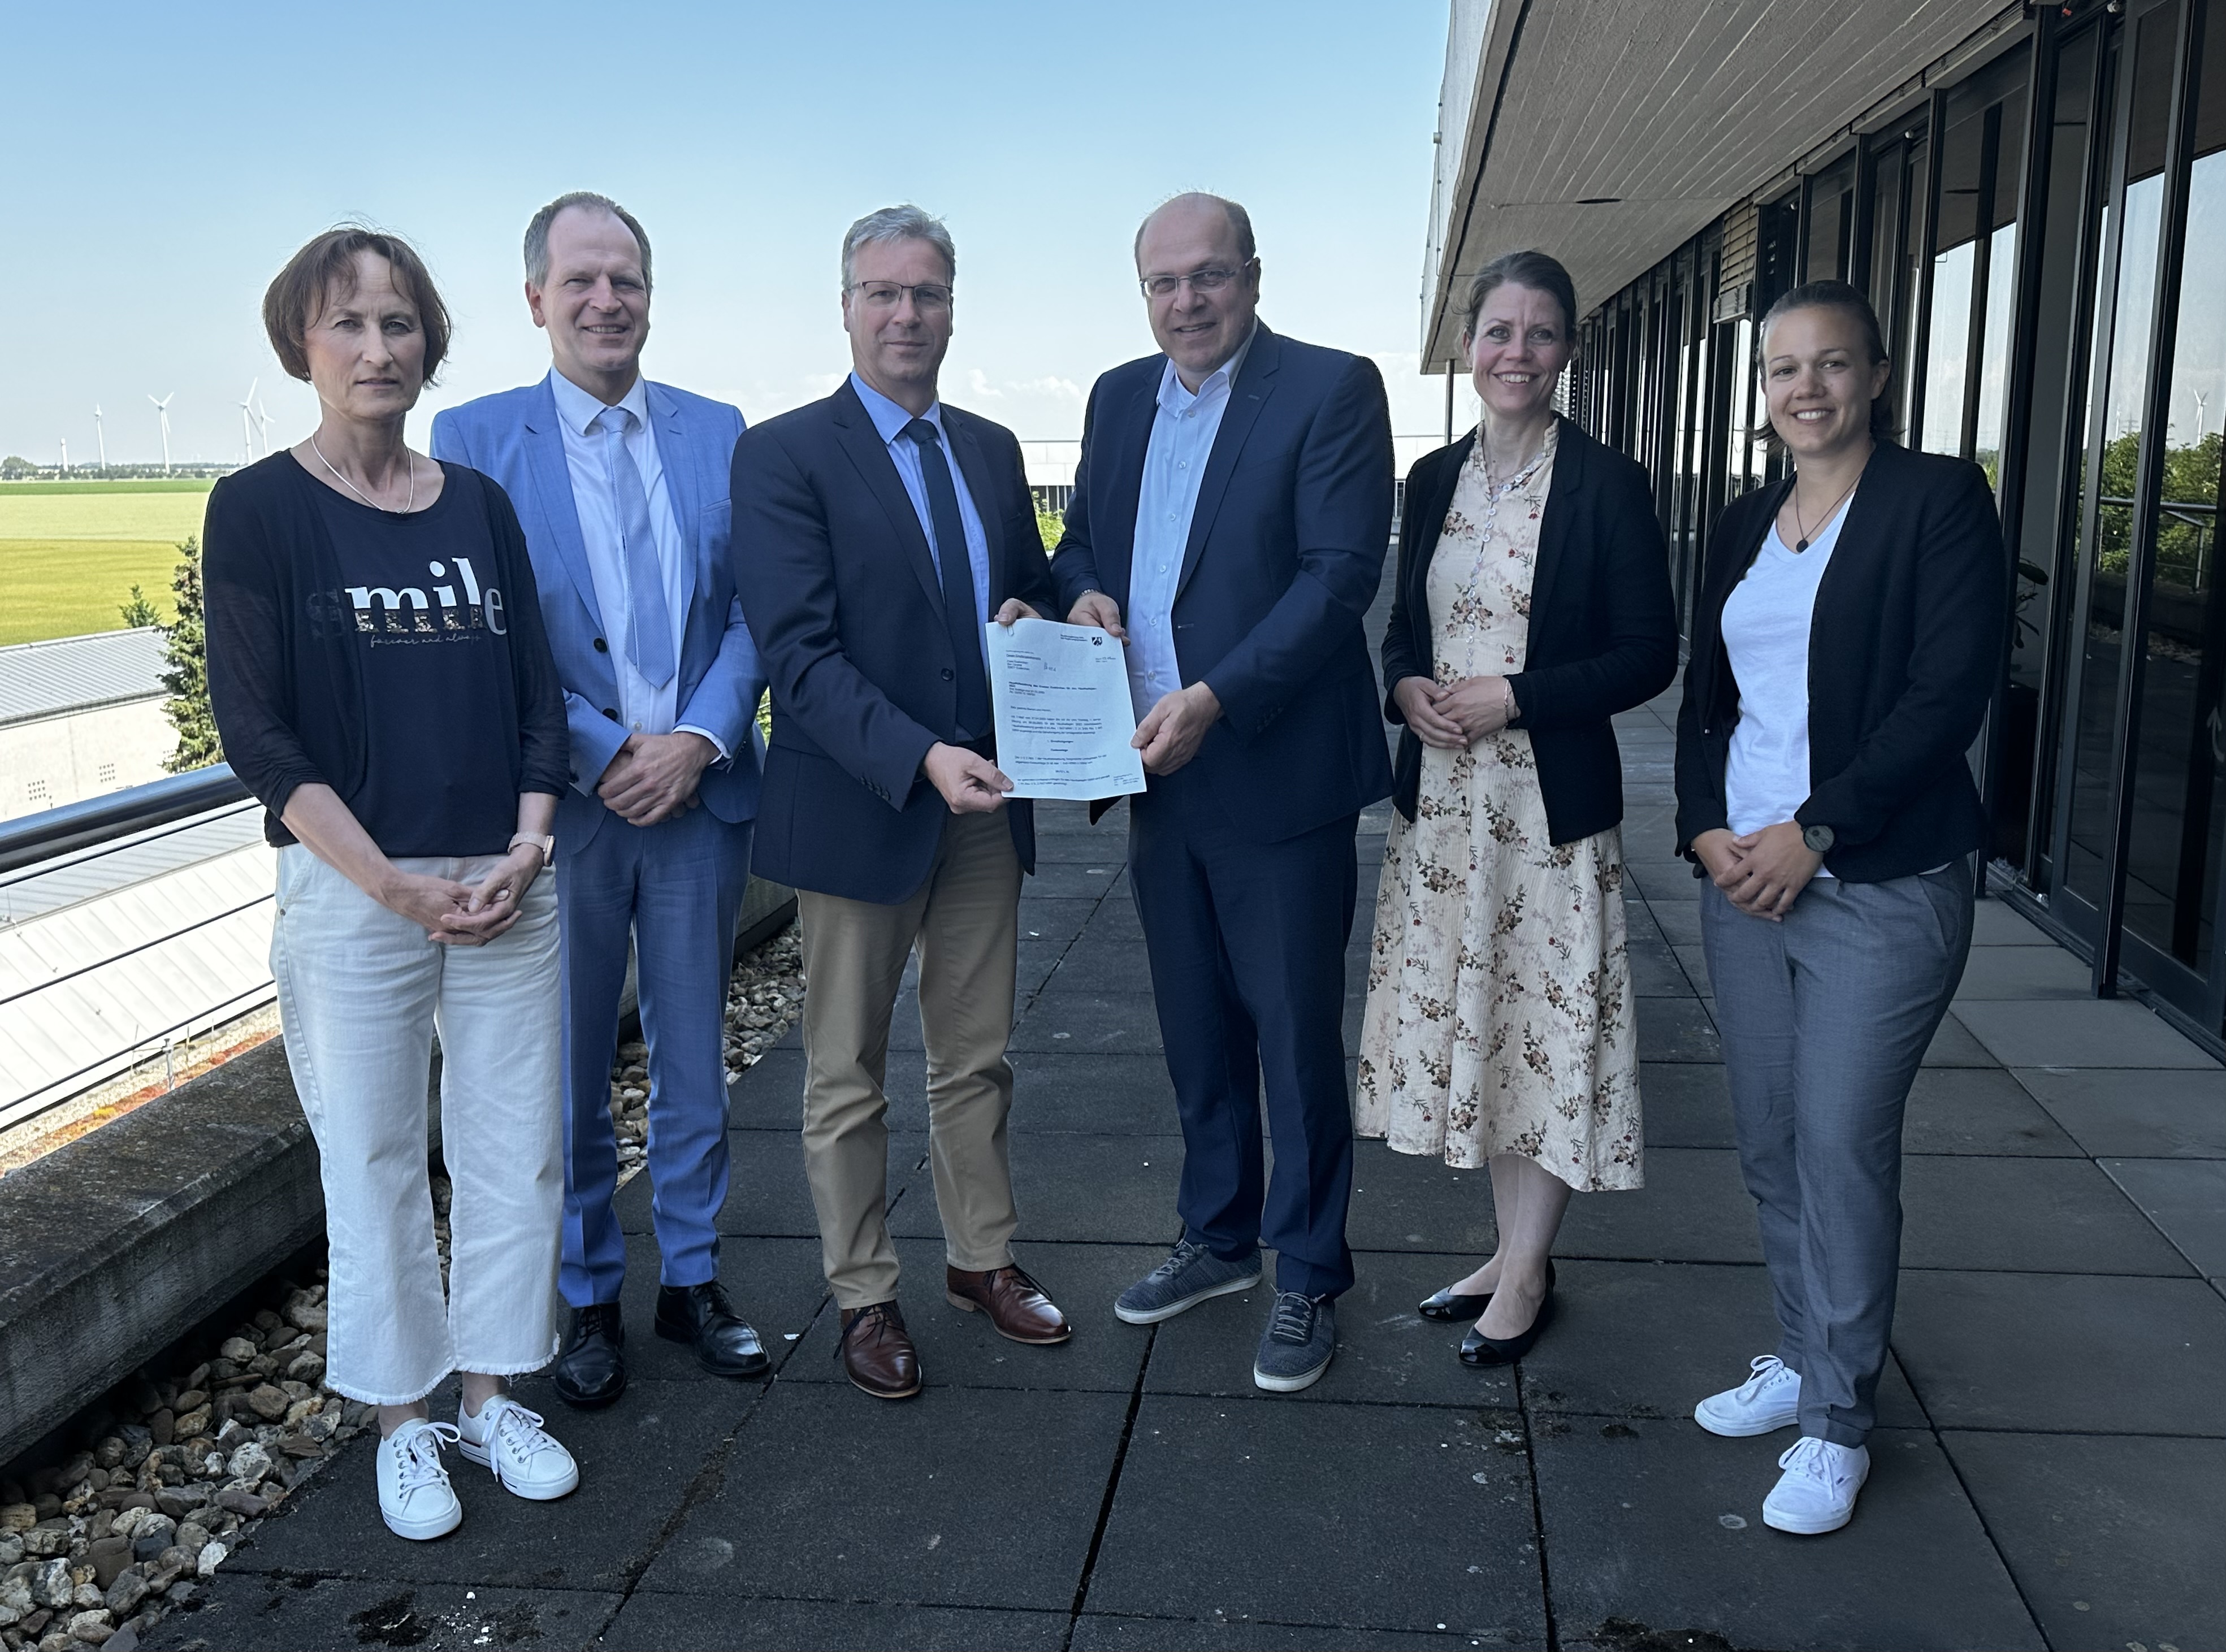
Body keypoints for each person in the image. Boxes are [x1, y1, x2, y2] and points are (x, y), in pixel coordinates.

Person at [204, 227, 579, 1541]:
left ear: (430, 343)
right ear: (299, 345)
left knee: (515, 1150)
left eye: (399, 322)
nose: (377, 347)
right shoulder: (257, 510)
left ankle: (490, 1395)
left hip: (507, 881)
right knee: (371, 1157)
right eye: (348, 323)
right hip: (354, 892)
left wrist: (531, 843)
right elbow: (257, 734)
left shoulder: (478, 504)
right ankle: (402, 1419)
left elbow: (537, 697)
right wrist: (389, 883)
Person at [1675, 279, 2003, 1535]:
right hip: (1744, 882)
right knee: (1769, 1141)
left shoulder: (1934, 500)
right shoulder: (1742, 521)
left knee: (1838, 1144)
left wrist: (1813, 831)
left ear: (1876, 376)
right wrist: (1702, 826)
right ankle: (1804, 1355)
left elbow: (1946, 693)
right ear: (1761, 391)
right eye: (1782, 369)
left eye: (1830, 363)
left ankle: (1837, 1423)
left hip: (1876, 880)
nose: (1804, 388)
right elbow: (1710, 702)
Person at [432, 193, 768, 1410]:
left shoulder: (719, 431)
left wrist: (698, 740)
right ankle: (586, 1295)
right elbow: (488, 627)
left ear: (650, 296)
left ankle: (693, 1279)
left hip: (697, 800)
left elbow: (756, 608)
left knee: (693, 1056)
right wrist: (604, 749)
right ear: (536, 299)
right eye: (579, 280)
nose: (605, 300)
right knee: (567, 1070)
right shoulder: (472, 438)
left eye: (625, 278)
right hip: (562, 814)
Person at [1054, 193, 1395, 1393]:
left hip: (1272, 767)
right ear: (1141, 292)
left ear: (1251, 275)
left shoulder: (1330, 388)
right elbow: (1079, 542)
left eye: (1208, 275)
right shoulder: (1117, 398)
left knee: (1292, 1038)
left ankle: (1308, 1270)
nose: (1186, 301)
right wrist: (1083, 592)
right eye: (1163, 282)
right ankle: (1217, 1236)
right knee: (1195, 1027)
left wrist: (1214, 697)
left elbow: (1337, 576)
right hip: (1153, 770)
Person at [731, 204, 1069, 1401]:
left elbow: (1029, 584)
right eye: (882, 293)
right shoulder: (783, 456)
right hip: (865, 801)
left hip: (984, 806)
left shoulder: (988, 447)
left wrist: (1047, 610)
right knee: (847, 1071)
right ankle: (863, 1292)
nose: (905, 314)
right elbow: (798, 655)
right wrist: (921, 755)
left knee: (978, 1057)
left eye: (926, 294)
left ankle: (981, 1258)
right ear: (845, 308)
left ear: (951, 309)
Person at [1357, 249, 1678, 1366]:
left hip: (1545, 815)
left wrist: (1518, 697)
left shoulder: (1606, 482)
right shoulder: (1430, 478)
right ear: (1467, 345)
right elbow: (1403, 628)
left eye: (1541, 333)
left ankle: (1530, 1269)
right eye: (1498, 330)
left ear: (1567, 350)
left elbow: (1649, 651)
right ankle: (1508, 1249)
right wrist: (1405, 687)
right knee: (1485, 1032)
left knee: (1543, 1033)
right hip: (1444, 810)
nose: (1516, 351)